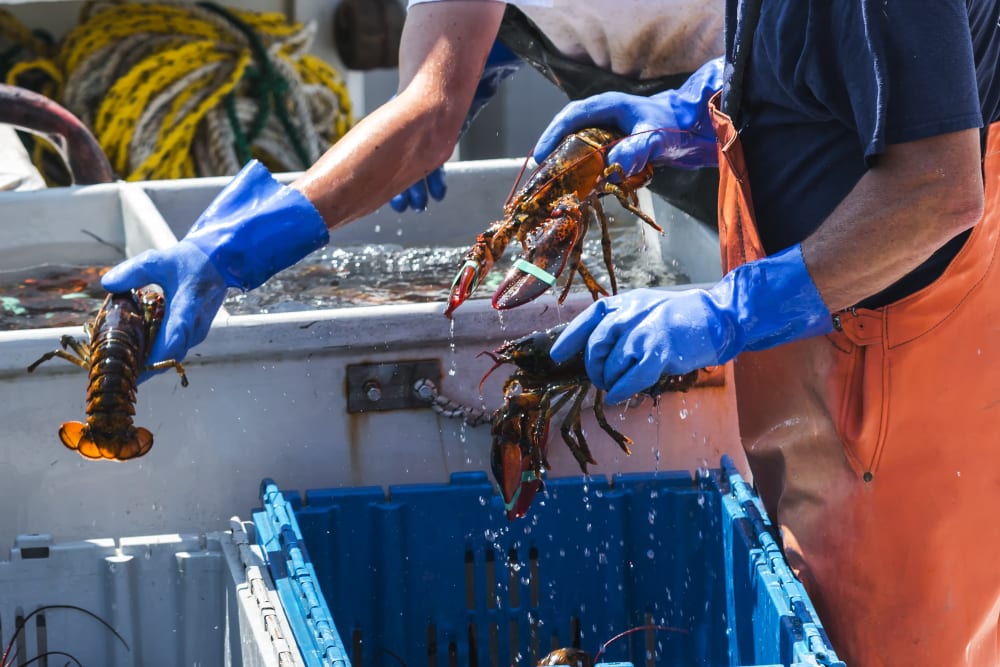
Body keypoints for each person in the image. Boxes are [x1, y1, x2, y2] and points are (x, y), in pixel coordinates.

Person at [536, 1, 1000, 664]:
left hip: (900, 417)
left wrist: (732, 309)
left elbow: (937, 189)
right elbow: (830, 59)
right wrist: (696, 110)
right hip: (823, 394)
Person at [101, 0, 724, 368]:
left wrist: (237, 248)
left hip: (770, 108)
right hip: (665, 151)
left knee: (798, 436)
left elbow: (425, 122)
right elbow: (426, 100)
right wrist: (477, 70)